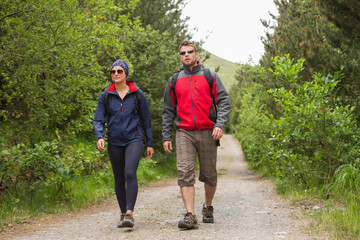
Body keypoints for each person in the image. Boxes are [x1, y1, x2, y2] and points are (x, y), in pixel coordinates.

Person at [162, 40, 231, 229]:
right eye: (183, 52)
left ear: (196, 54)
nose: (186, 55)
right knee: (185, 173)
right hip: (184, 132)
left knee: (209, 174)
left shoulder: (210, 76)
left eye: (189, 51)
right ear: (180, 56)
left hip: (208, 131)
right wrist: (166, 136)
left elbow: (224, 101)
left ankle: (208, 207)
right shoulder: (174, 80)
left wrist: (220, 124)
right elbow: (168, 110)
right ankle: (190, 215)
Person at [93, 59, 154, 228]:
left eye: (119, 71)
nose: (116, 74)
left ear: (126, 73)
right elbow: (98, 120)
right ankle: (123, 214)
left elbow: (146, 120)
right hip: (114, 141)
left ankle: (130, 212)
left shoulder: (137, 94)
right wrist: (99, 136)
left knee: (129, 173)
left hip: (134, 138)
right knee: (119, 178)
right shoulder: (105, 96)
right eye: (113, 72)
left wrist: (149, 143)